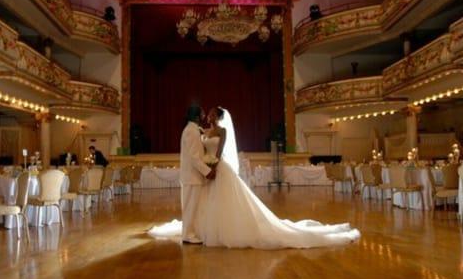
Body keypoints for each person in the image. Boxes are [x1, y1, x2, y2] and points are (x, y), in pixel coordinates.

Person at [150, 107, 360, 249]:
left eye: (212, 113)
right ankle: (202, 230)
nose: (208, 115)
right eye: (207, 113)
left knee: (222, 202)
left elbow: (219, 152)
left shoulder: (220, 131)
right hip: (206, 172)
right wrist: (207, 167)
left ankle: (217, 230)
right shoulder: (200, 131)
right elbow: (197, 152)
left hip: (218, 169)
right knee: (206, 204)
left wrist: (212, 165)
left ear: (218, 117)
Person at [149, 104, 216, 244]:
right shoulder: (191, 131)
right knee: (190, 207)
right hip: (192, 176)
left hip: (192, 176)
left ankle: (191, 232)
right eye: (203, 113)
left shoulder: (193, 129)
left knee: (192, 206)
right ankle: (188, 235)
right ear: (197, 116)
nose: (205, 115)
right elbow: (193, 157)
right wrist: (207, 171)